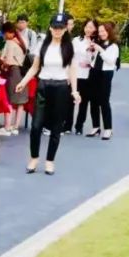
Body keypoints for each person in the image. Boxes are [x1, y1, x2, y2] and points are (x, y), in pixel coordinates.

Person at [16, 13, 79, 175]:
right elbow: (35, 67)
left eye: (61, 28)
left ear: (65, 29)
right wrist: (23, 82)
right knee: (36, 126)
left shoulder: (69, 47)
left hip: (61, 88)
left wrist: (74, 90)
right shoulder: (43, 45)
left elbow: (72, 70)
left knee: (56, 127)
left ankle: (50, 161)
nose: (57, 31)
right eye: (55, 27)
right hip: (43, 86)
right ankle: (34, 157)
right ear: (50, 28)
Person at [90, 21, 121, 140]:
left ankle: (108, 129)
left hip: (106, 73)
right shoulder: (98, 43)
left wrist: (101, 50)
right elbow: (94, 59)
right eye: (100, 31)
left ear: (109, 32)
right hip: (94, 71)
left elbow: (110, 61)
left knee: (104, 101)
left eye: (104, 31)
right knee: (93, 100)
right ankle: (95, 126)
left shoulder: (113, 46)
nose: (101, 33)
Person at [0, 21, 29, 136]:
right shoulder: (21, 42)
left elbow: (7, 60)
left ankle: (7, 127)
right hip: (22, 73)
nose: (3, 36)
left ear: (8, 32)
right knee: (20, 100)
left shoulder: (10, 43)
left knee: (10, 99)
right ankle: (15, 126)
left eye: (4, 33)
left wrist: (2, 66)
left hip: (13, 72)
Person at [71, 18, 98, 135]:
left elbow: (98, 59)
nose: (88, 29)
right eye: (87, 27)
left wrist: (90, 63)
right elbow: (70, 55)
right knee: (71, 100)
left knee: (84, 102)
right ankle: (67, 125)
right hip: (75, 73)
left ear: (95, 29)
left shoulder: (97, 42)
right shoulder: (77, 40)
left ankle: (79, 126)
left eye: (91, 27)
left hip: (88, 75)